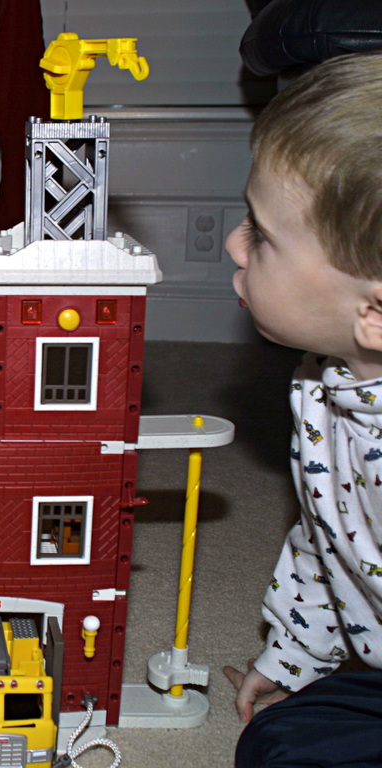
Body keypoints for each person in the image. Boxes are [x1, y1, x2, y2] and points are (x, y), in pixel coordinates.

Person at [221, 50, 382, 768]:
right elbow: (329, 538)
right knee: (275, 741)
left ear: (374, 313)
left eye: (262, 235)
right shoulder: (320, 379)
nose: (235, 243)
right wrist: (294, 656)